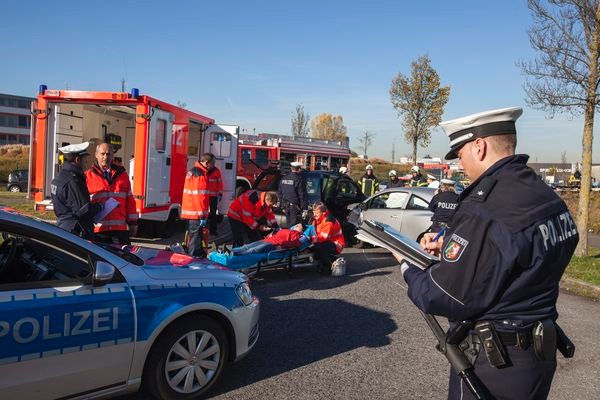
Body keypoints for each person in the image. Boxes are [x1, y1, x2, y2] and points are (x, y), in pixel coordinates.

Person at [395, 107, 578, 399]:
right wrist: (460, 247)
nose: (460, 165)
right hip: (537, 357)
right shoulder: (542, 194)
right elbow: (526, 248)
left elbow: (445, 295)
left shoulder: (486, 206)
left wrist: (406, 264)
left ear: (479, 147)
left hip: (495, 363)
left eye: (460, 154)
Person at [86, 143, 138, 245]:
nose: (106, 157)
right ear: (96, 155)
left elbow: (130, 201)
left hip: (119, 230)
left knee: (123, 258)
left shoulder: (122, 175)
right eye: (102, 154)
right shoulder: (88, 176)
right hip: (98, 231)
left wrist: (132, 223)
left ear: (113, 156)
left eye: (109, 154)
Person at [51, 142, 102, 240]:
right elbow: (84, 210)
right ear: (78, 160)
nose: (86, 163)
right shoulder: (73, 181)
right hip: (76, 231)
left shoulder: (59, 177)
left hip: (64, 226)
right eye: (85, 160)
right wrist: (100, 206)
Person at [181, 153, 212, 257]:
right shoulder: (200, 175)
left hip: (191, 211)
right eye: (212, 164)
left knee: (194, 236)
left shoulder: (193, 171)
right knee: (195, 237)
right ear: (207, 163)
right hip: (196, 213)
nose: (213, 166)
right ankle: (193, 259)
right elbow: (200, 197)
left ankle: (195, 257)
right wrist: (202, 215)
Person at [310, 201, 345, 275]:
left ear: (323, 213)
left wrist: (310, 239)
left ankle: (329, 265)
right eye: (313, 212)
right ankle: (327, 260)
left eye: (316, 213)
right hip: (327, 241)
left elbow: (323, 237)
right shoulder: (317, 218)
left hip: (336, 244)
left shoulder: (328, 221)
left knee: (319, 247)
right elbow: (311, 229)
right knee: (315, 248)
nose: (314, 215)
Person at [231, 223, 309, 255]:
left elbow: (293, 244)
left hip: (273, 244)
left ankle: (235, 256)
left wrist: (281, 245)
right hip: (268, 240)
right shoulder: (288, 230)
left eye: (298, 226)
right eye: (297, 224)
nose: (296, 226)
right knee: (247, 246)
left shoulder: (297, 236)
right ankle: (231, 252)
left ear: (301, 231)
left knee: (253, 250)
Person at [278, 161, 308, 227]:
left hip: (285, 206)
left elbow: (280, 193)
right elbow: (302, 195)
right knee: (295, 226)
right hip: (294, 207)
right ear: (299, 169)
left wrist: (282, 205)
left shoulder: (284, 178)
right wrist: (305, 208)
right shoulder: (299, 179)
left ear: (291, 168)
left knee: (288, 225)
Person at [203, 153, 223, 235]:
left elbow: (220, 183)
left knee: (213, 214)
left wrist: (220, 193)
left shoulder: (217, 171)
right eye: (213, 162)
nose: (214, 164)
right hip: (204, 196)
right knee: (204, 213)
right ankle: (203, 230)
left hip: (213, 196)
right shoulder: (203, 171)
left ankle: (213, 230)